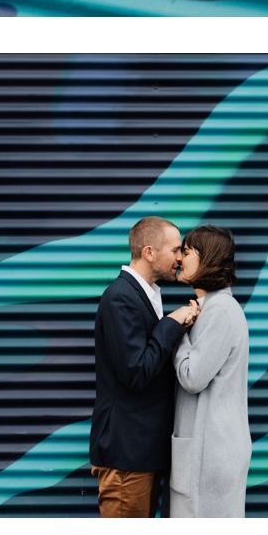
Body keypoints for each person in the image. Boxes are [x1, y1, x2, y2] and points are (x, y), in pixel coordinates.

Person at [90, 216, 199, 517]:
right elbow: (136, 372)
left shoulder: (144, 295)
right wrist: (171, 323)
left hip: (143, 454)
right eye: (175, 250)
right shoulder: (120, 298)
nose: (180, 258)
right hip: (127, 457)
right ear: (149, 252)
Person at [170, 224, 252, 518]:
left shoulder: (219, 310)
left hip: (211, 454)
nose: (179, 258)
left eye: (187, 251)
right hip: (209, 451)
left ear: (208, 259)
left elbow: (193, 377)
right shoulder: (214, 308)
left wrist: (177, 331)